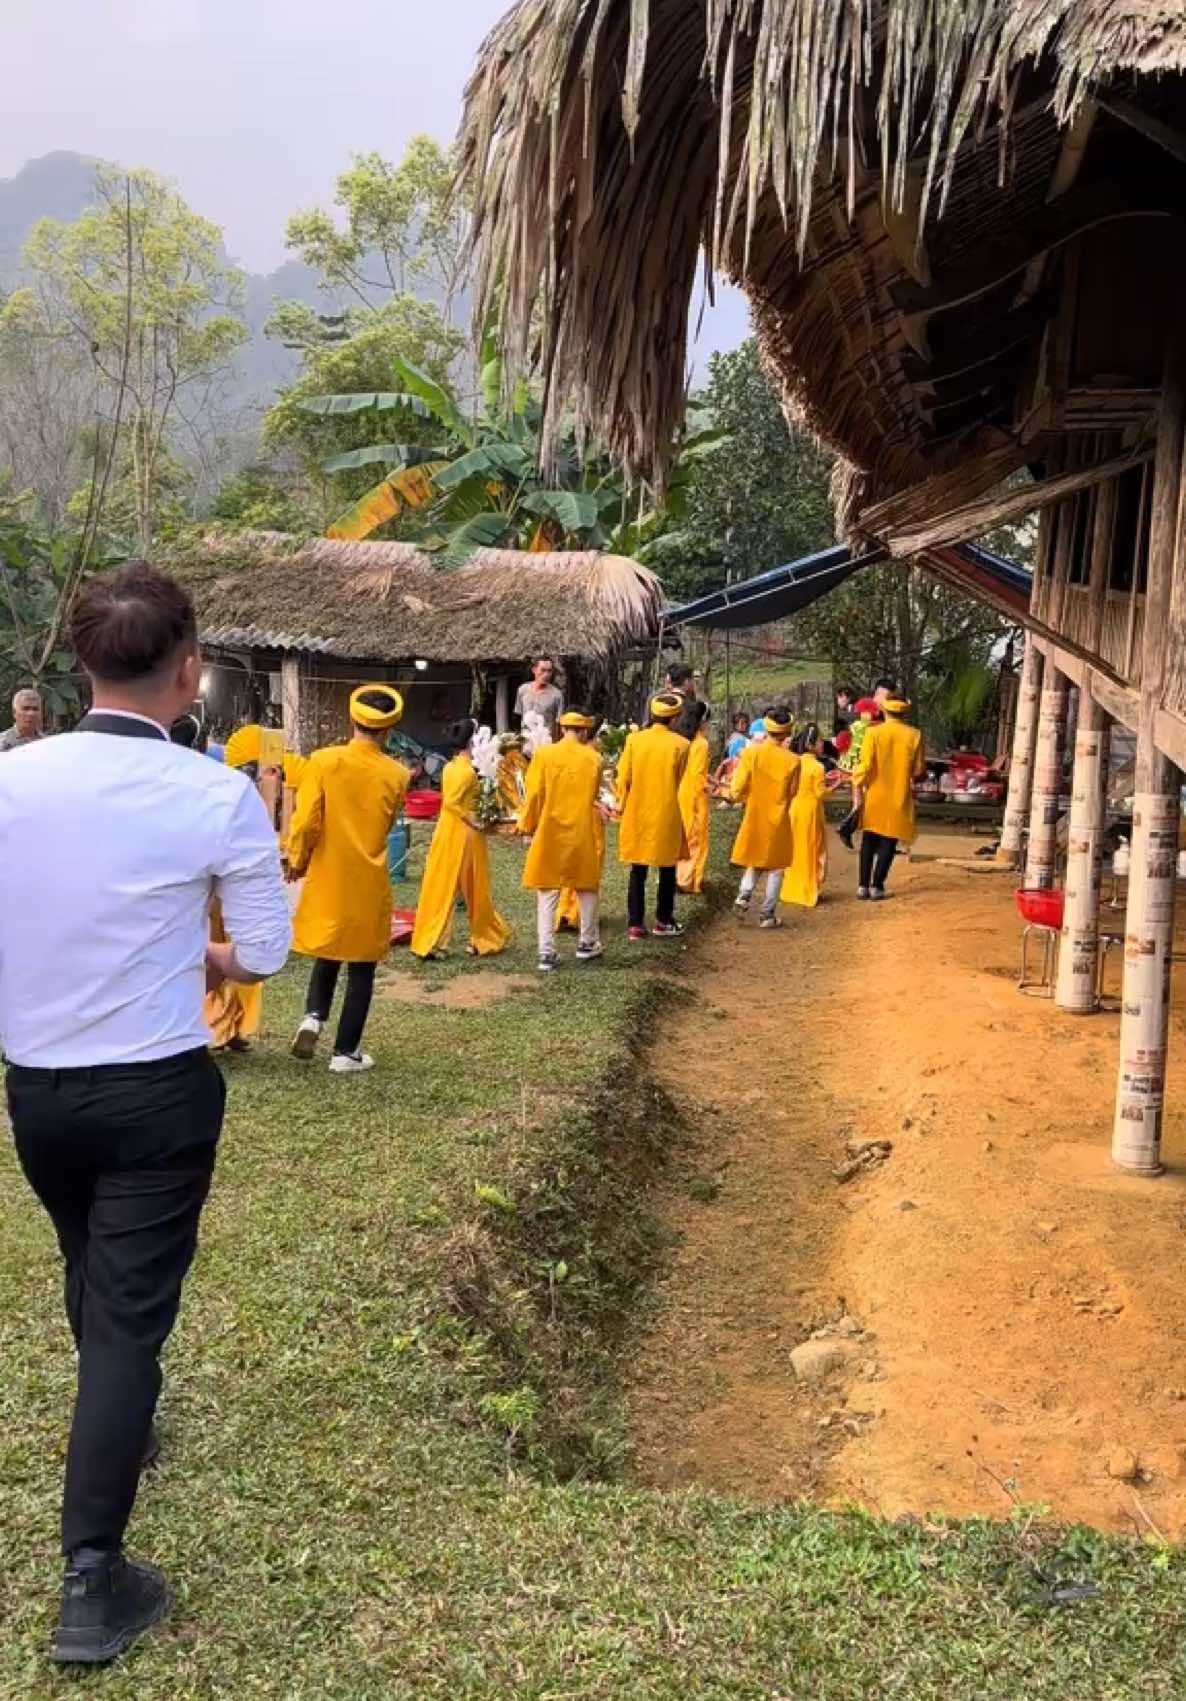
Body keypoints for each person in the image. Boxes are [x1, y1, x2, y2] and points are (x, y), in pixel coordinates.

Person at [0, 563, 290, 1666]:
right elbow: (262, 952)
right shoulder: (214, 792)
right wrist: (202, 949)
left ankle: (117, 1427)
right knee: (126, 1323)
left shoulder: (13, 782)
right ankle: (91, 1578)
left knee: (90, 1265)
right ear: (191, 670)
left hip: (40, 1089)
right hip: (159, 1092)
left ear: (79, 664)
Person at [288, 685, 411, 1075]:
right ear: (389, 729)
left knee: (329, 945)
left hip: (329, 871)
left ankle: (312, 1016)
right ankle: (346, 1051)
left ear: (351, 719)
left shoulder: (323, 761)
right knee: (362, 965)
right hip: (368, 877)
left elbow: (306, 820)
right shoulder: (397, 774)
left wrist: (297, 858)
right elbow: (388, 824)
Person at [411, 718, 512, 960]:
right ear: (471, 742)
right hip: (465, 835)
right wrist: (476, 821)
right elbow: (453, 803)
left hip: (446, 832)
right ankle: (482, 938)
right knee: (475, 888)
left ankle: (431, 940)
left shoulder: (449, 768)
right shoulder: (467, 772)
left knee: (441, 885)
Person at [518, 707, 605, 972]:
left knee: (547, 889)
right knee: (586, 886)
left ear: (562, 729)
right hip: (580, 828)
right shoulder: (594, 758)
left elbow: (533, 794)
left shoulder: (544, 755)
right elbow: (593, 795)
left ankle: (546, 953)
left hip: (550, 828)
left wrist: (527, 825)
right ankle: (587, 943)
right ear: (584, 731)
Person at [617, 691, 690, 941]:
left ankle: (635, 924)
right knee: (667, 868)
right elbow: (679, 778)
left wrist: (621, 804)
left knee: (638, 870)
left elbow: (623, 777)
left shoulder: (634, 741)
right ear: (676, 717)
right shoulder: (682, 745)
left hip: (638, 810)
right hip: (666, 810)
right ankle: (663, 920)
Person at [730, 706, 800, 927]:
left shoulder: (752, 753)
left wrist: (735, 796)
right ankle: (767, 914)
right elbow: (793, 791)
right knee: (777, 866)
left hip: (755, 814)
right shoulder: (793, 760)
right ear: (788, 731)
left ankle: (743, 896)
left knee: (755, 860)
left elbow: (738, 787)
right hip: (779, 817)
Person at [852, 696, 925, 900]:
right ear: (905, 712)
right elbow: (918, 769)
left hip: (875, 794)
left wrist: (854, 780)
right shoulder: (914, 735)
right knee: (888, 842)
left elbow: (865, 766)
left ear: (884, 711)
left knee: (869, 839)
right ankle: (877, 887)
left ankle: (862, 886)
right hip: (898, 795)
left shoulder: (873, 733)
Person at [783, 723, 829, 908]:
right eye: (819, 741)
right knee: (813, 849)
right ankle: (810, 886)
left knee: (795, 848)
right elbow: (820, 793)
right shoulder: (817, 767)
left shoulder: (794, 762)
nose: (822, 744)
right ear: (811, 745)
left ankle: (792, 888)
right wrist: (832, 787)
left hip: (794, 808)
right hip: (811, 810)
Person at [677, 700, 712, 895]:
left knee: (683, 836)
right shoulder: (701, 744)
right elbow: (699, 776)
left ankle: (678, 875)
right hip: (696, 796)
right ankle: (689, 881)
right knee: (696, 838)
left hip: (680, 793)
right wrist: (710, 789)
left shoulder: (681, 741)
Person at [514, 657, 564, 739]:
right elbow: (518, 716)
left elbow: (559, 724)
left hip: (546, 741)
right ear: (534, 670)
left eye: (549, 671)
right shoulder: (523, 690)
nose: (546, 674)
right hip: (526, 740)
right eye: (543, 670)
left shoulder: (557, 695)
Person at [0, 685, 45, 751]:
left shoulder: (46, 741)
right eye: (25, 709)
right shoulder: (3, 742)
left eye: (35, 709)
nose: (31, 713)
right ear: (14, 712)